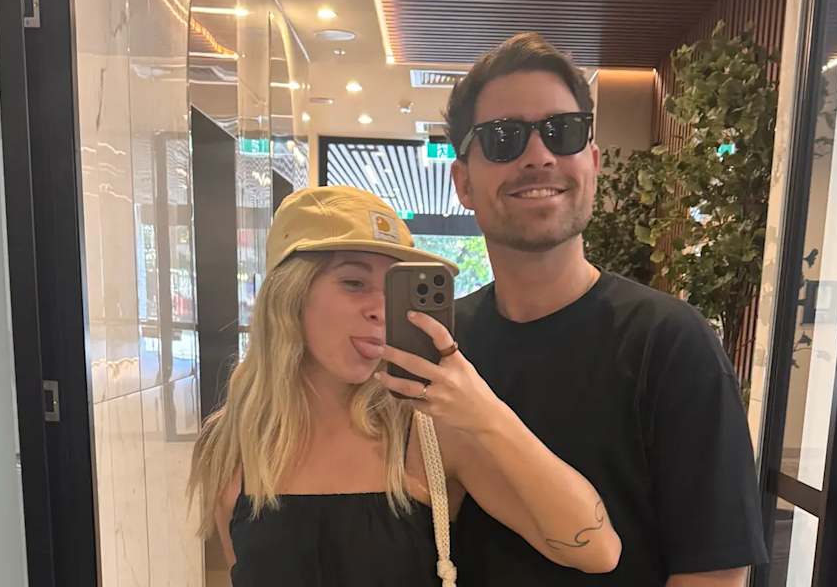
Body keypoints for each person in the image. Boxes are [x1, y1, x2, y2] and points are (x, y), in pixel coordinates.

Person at [446, 33, 768, 586]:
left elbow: (714, 573)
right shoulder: (441, 346)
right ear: (463, 182)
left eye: (562, 132)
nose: (539, 156)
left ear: (592, 163)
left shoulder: (670, 343)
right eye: (503, 138)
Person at [188, 185, 622, 586]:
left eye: (393, 290)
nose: (380, 309)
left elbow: (597, 550)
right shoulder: (232, 442)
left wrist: (487, 414)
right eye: (354, 282)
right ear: (289, 295)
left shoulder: (428, 434)